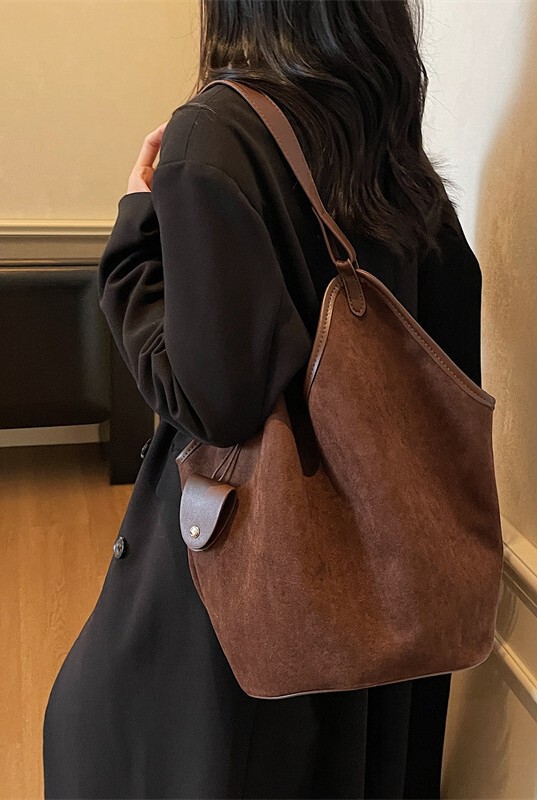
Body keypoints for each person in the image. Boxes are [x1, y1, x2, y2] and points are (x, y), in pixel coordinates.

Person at [43, 1, 484, 797]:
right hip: (385, 604)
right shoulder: (388, 145)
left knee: (90, 730)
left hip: (245, 620)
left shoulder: (219, 134)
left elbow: (215, 401)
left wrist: (135, 234)